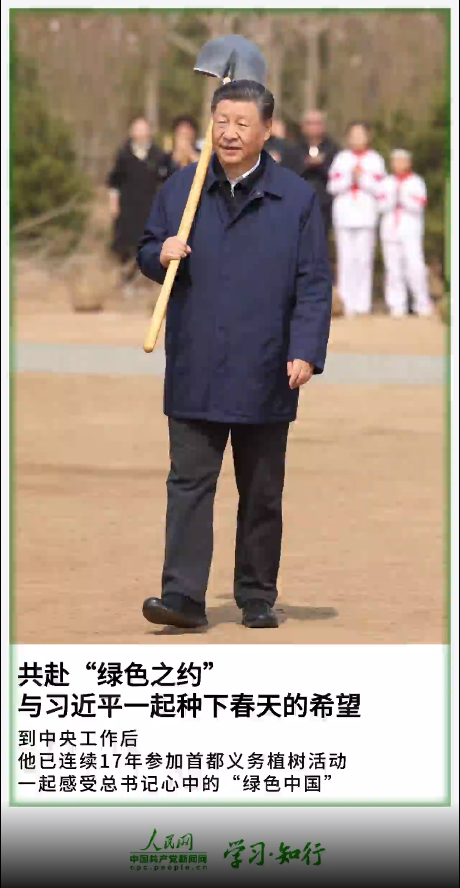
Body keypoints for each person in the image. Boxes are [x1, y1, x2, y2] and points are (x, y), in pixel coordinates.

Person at [137, 80, 332, 631]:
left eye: (242, 123)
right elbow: (146, 248)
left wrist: (305, 350)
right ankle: (182, 596)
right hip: (196, 361)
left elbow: (314, 282)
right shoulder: (182, 189)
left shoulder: (295, 197)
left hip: (267, 366)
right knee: (188, 484)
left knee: (262, 491)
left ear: (267, 130)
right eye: (221, 121)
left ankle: (256, 595)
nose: (229, 133)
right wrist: (159, 253)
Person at [327, 121, 386, 317]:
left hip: (366, 214)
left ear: (368, 137)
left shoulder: (375, 159)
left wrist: (362, 179)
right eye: (353, 134)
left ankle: (363, 304)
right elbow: (332, 186)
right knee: (346, 259)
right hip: (344, 215)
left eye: (361, 134)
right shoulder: (342, 158)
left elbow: (381, 188)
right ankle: (346, 303)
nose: (357, 138)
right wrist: (349, 178)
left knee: (364, 259)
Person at [107, 117, 169, 289]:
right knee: (126, 245)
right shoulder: (123, 154)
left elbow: (165, 181)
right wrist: (113, 204)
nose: (141, 133)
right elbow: (114, 182)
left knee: (148, 244)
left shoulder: (158, 155)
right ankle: (127, 282)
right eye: (137, 129)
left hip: (149, 208)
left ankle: (147, 282)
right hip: (127, 208)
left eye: (144, 129)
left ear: (149, 132)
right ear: (131, 132)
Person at [378, 149, 433, 317]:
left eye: (401, 161)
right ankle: (397, 305)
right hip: (390, 229)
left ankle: (421, 303)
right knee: (393, 268)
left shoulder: (416, 182)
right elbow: (380, 204)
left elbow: (419, 204)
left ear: (409, 163)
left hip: (410, 229)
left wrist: (403, 197)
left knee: (415, 266)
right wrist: (393, 198)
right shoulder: (387, 182)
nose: (398, 164)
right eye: (395, 161)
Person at [299, 110, 339, 235]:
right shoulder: (294, 149)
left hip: (325, 204)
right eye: (309, 123)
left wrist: (321, 166)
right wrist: (305, 165)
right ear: (302, 126)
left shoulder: (333, 149)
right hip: (299, 204)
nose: (313, 127)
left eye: (317, 123)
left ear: (324, 126)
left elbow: (338, 177)